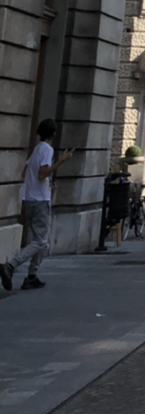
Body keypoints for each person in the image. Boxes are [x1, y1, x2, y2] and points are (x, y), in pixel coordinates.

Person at [1, 120, 72, 292]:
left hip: (29, 197)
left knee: (41, 240)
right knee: (40, 240)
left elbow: (26, 172)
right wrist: (61, 161)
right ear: (53, 134)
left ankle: (32, 276)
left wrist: (46, 185)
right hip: (40, 200)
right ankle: (11, 265)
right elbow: (42, 174)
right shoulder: (47, 149)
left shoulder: (37, 149)